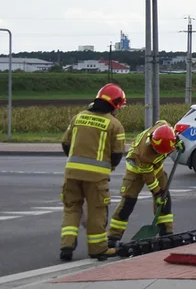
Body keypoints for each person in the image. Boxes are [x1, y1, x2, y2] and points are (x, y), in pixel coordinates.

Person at [59, 84, 127, 261]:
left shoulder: (78, 117)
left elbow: (65, 144)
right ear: (115, 104)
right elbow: (117, 154)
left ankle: (66, 247)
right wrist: (107, 168)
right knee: (97, 211)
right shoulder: (114, 125)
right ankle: (97, 249)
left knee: (71, 209)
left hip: (72, 174)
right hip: (96, 178)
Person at [107, 121, 182, 246]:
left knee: (165, 199)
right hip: (136, 170)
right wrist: (157, 193)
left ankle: (166, 232)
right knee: (128, 202)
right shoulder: (143, 154)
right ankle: (113, 236)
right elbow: (149, 179)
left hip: (156, 168)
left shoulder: (165, 130)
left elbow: (163, 123)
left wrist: (178, 141)